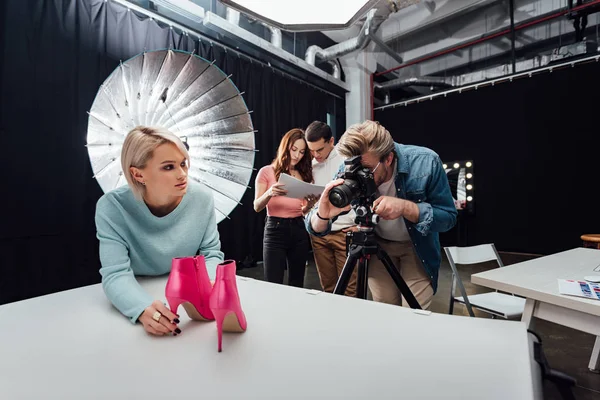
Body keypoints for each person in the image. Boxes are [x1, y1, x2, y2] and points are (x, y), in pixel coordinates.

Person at [306, 120, 457, 310]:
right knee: (385, 310)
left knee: (414, 314)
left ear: (388, 159)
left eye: (366, 170)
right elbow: (314, 225)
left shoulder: (425, 162)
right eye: (354, 168)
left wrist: (406, 208)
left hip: (417, 245)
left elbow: (448, 218)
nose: (358, 175)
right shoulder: (348, 168)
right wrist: (322, 215)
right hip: (377, 243)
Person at [95, 126, 224, 335]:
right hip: (138, 288)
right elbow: (115, 274)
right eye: (168, 167)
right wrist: (143, 308)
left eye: (183, 163)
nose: (182, 174)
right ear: (137, 174)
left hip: (187, 293)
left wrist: (206, 286)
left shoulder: (202, 198)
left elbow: (211, 253)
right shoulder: (111, 208)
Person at [253, 128, 317, 288]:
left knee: (297, 284)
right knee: (273, 284)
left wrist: (308, 206)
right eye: (294, 149)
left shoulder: (304, 174)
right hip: (275, 230)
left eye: (302, 152)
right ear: (285, 147)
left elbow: (302, 210)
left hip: (299, 229)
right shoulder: (266, 172)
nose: (297, 155)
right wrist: (269, 193)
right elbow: (256, 206)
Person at [304, 121, 358, 297]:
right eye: (311, 150)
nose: (315, 154)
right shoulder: (311, 167)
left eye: (319, 149)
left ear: (331, 141)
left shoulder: (347, 161)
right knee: (328, 288)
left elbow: (361, 193)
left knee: (350, 290)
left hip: (345, 233)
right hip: (319, 235)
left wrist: (359, 224)